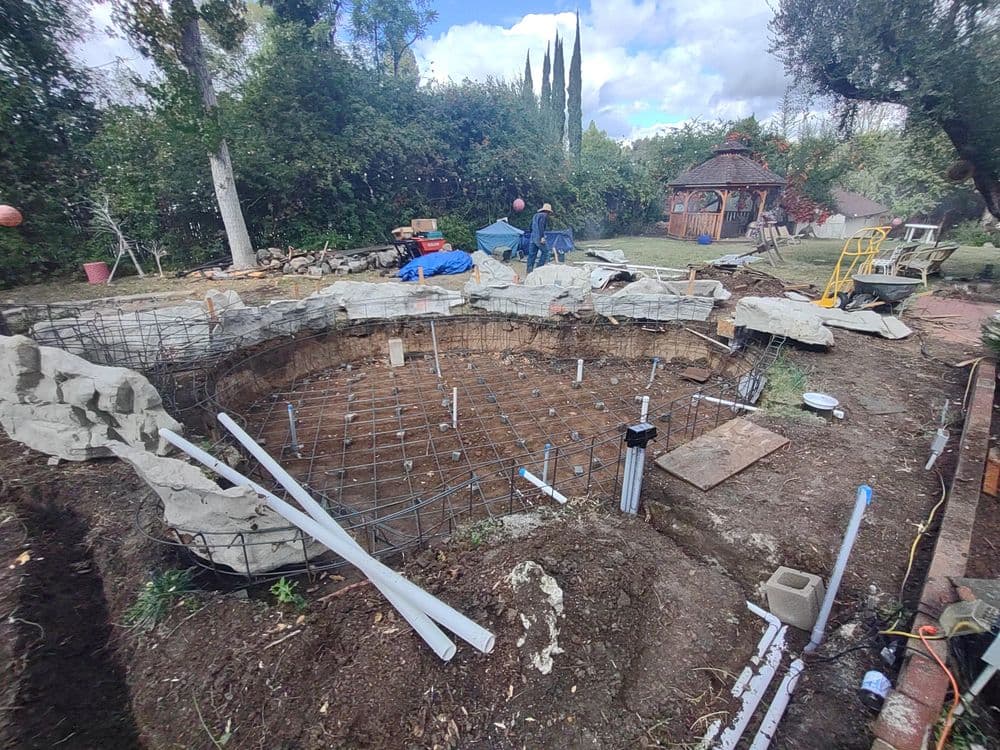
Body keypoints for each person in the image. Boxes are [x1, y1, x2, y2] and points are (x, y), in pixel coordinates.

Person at [526, 203, 553, 274]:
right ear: (548, 211)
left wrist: (533, 233)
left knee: (532, 254)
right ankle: (539, 269)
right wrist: (542, 237)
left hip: (532, 237)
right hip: (538, 237)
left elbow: (530, 226)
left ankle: (529, 271)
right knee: (546, 252)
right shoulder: (544, 216)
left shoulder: (535, 215)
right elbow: (541, 226)